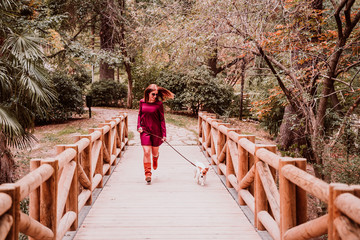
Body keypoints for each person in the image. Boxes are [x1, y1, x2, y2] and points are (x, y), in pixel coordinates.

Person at [137, 84, 174, 183]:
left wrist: (164, 134)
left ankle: (155, 158)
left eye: (156, 95)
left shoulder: (159, 104)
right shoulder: (142, 102)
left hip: (156, 131)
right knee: (146, 151)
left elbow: (162, 120)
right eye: (153, 94)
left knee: (154, 152)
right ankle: (148, 174)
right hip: (144, 130)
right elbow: (140, 115)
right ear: (148, 93)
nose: (155, 96)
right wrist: (138, 127)